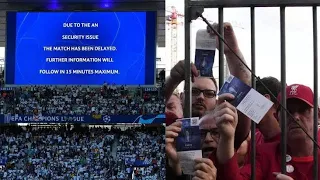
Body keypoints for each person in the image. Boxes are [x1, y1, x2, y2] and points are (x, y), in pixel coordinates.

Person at [165, 22, 251, 150]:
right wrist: (172, 80)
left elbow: (243, 89)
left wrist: (232, 50)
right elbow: (145, 111)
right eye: (194, 91)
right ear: (181, 96)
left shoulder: (226, 129)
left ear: (216, 101)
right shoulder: (171, 125)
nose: (200, 97)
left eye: (209, 93)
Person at [214, 84, 320, 180]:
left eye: (303, 110)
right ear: (277, 118)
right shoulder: (265, 154)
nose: (295, 117)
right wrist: (227, 138)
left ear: (318, 115)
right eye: (288, 112)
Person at [166, 107, 251, 180]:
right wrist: (176, 166)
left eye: (216, 132)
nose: (208, 139)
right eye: (201, 133)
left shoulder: (246, 171)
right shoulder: (175, 164)